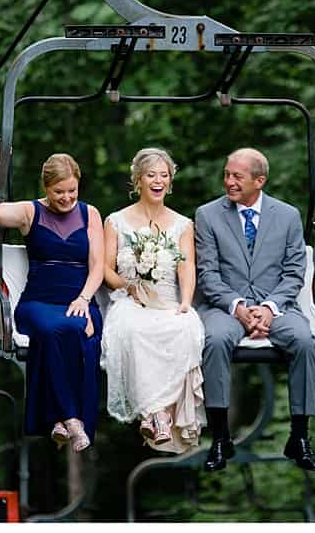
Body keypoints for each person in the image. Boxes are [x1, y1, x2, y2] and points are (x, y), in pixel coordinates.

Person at [194, 148, 315, 472]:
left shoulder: (288, 215)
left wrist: (269, 308)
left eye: (237, 176)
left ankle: (299, 436)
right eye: (227, 174)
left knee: (304, 341)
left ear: (259, 181)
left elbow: (294, 273)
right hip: (226, 306)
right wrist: (237, 308)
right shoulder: (208, 215)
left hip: (276, 306)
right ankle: (221, 437)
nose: (229, 181)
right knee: (215, 339)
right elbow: (207, 273)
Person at [0, 139, 105, 452]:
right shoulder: (29, 212)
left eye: (72, 191)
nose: (66, 198)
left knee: (79, 331)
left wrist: (85, 300)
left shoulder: (90, 214)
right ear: (47, 188)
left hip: (78, 301)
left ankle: (58, 421)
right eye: (59, 192)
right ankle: (70, 417)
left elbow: (97, 267)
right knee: (50, 331)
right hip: (37, 303)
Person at [100, 148, 205, 453]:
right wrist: (129, 286)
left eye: (164, 175)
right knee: (132, 331)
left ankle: (165, 416)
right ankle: (154, 414)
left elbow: (186, 267)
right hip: (131, 301)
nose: (158, 181)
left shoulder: (182, 224)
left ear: (170, 182)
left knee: (185, 329)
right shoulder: (116, 221)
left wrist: (185, 302)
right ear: (138, 180)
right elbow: (107, 268)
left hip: (169, 302)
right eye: (151, 175)